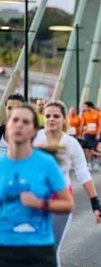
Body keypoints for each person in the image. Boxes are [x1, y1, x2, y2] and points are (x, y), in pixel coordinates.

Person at [0, 105, 74, 267]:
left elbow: (67, 204)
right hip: (4, 248)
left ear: (34, 131)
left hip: (39, 248)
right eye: (15, 120)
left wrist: (40, 203)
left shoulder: (46, 164)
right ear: (7, 126)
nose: (19, 125)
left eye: (25, 122)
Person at [33, 101, 101, 265]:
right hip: (35, 198)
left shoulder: (71, 143)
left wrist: (95, 203)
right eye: (48, 116)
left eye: (56, 116)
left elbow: (82, 173)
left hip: (61, 199)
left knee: (51, 247)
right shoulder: (35, 139)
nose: (51, 119)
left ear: (64, 119)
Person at [81, 101, 101, 171]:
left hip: (95, 134)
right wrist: (81, 133)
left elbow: (100, 124)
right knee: (87, 149)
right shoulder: (85, 114)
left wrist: (98, 134)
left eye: (85, 107)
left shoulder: (97, 113)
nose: (84, 108)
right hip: (87, 133)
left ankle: (95, 161)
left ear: (89, 107)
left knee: (94, 148)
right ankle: (89, 163)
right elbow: (82, 124)